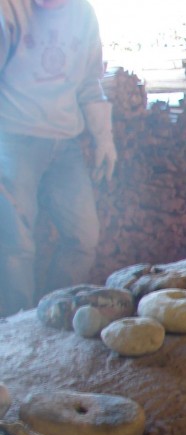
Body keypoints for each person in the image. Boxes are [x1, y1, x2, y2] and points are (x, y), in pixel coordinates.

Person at [0, 0, 116, 316]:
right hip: (14, 140)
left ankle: (53, 312)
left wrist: (103, 138)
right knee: (15, 247)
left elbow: (90, 83)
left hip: (65, 144)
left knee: (83, 238)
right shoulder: (9, 10)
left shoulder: (84, 14)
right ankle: (15, 330)